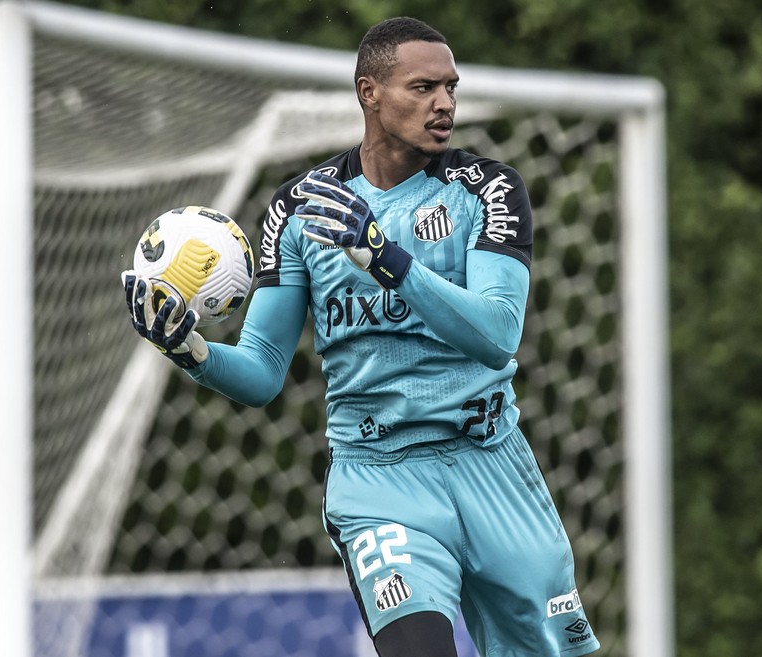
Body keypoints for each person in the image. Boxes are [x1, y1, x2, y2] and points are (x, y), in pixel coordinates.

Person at [122, 16, 599, 657]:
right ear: (368, 91)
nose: (444, 104)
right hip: (380, 480)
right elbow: (263, 369)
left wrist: (388, 260)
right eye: (423, 87)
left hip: (493, 465)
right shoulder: (299, 210)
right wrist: (192, 351)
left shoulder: (487, 190)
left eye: (451, 89)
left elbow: (497, 335)